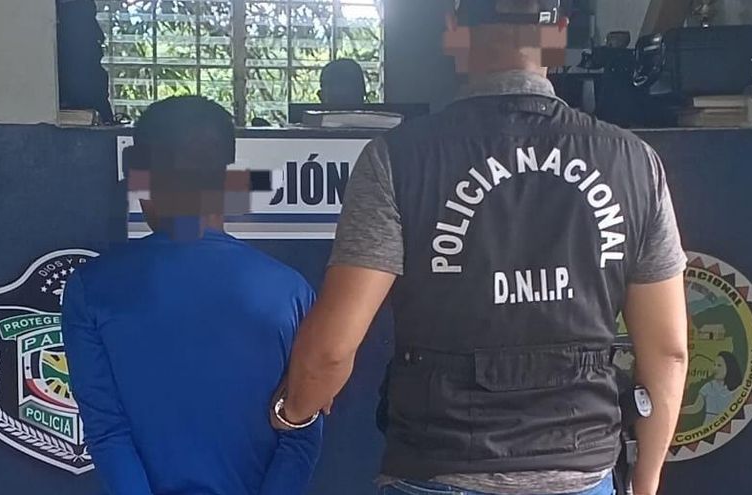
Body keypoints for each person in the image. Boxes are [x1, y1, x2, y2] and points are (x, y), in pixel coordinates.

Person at [274, 1, 688, 495]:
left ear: (454, 29)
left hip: (438, 465)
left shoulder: (398, 160)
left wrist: (290, 415)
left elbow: (332, 350)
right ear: (558, 33)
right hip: (582, 469)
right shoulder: (635, 163)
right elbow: (668, 352)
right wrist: (645, 480)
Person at [62, 96, 322, 495]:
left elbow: (108, 432)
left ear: (143, 178)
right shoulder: (292, 292)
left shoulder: (91, 289)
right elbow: (301, 435)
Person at [681, 351, 742, 420]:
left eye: (719, 365)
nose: (715, 368)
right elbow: (696, 407)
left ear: (729, 367)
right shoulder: (708, 387)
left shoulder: (738, 389)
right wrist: (679, 410)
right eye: (714, 365)